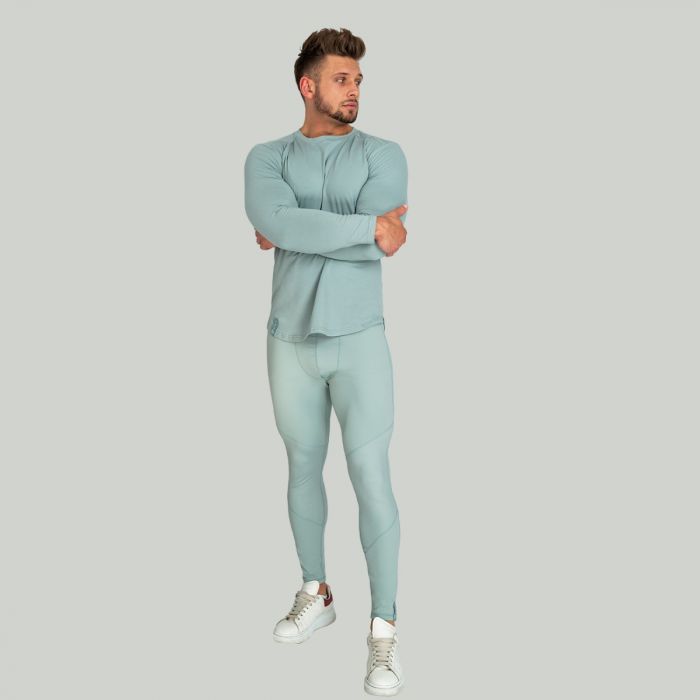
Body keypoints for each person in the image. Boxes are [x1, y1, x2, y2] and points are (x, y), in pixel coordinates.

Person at [244, 27, 408, 696]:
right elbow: (367, 232)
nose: (354, 90)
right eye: (342, 79)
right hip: (289, 341)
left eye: (358, 80)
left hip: (359, 340)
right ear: (307, 85)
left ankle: (383, 630)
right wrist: (364, 226)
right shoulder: (265, 156)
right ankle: (317, 591)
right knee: (302, 468)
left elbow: (376, 240)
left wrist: (291, 227)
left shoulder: (384, 154)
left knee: (370, 474)